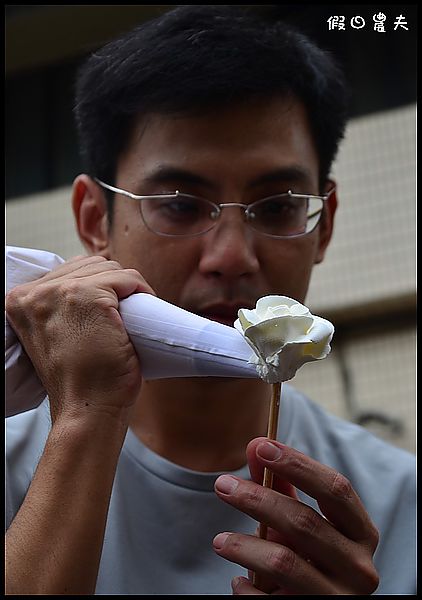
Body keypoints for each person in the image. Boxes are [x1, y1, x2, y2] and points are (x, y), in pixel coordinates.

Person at [5, 5, 415, 595]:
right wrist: (85, 419)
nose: (232, 256)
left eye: (277, 207)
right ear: (95, 219)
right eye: (179, 203)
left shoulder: (396, 504)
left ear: (321, 228)